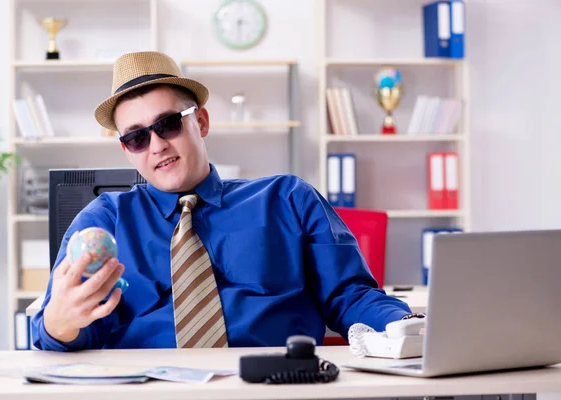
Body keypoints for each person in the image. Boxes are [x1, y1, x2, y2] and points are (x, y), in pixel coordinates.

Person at [30, 51, 421, 351]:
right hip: (153, 388)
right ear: (126, 150)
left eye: (167, 124)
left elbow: (349, 295)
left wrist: (409, 326)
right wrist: (59, 323)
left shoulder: (287, 198)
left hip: (276, 385)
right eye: (136, 137)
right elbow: (66, 333)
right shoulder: (104, 221)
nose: (158, 144)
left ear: (200, 122)